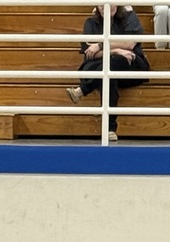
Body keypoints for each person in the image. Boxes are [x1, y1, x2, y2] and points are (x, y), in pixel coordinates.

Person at [65, 4, 150, 142]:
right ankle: (110, 129)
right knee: (109, 74)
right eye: (102, 3)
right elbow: (90, 53)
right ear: (97, 6)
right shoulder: (91, 23)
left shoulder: (130, 18)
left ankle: (82, 90)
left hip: (130, 65)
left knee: (114, 64)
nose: (107, 6)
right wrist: (115, 50)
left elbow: (129, 44)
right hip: (100, 65)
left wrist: (101, 45)